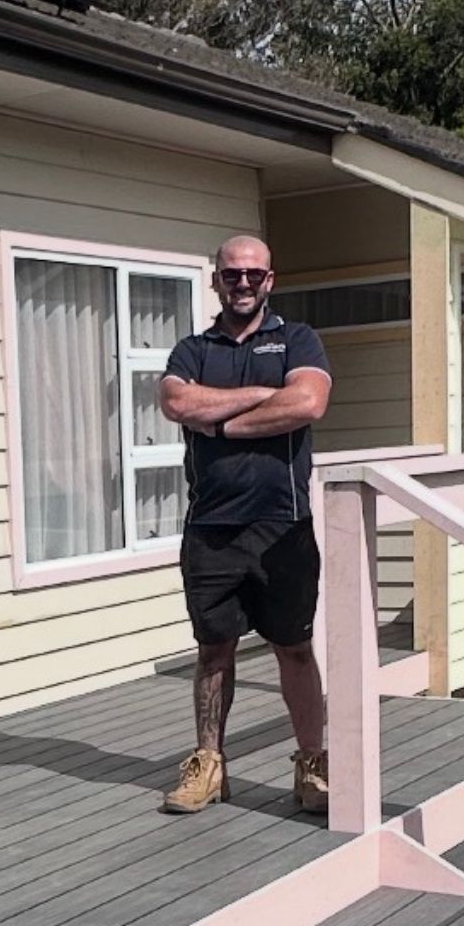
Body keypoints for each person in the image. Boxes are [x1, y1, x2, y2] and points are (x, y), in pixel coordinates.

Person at [156, 234, 332, 816]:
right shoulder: (192, 348)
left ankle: (313, 763)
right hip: (211, 527)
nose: (243, 284)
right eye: (232, 275)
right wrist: (263, 395)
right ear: (216, 281)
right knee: (213, 651)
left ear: (270, 280)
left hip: (283, 526)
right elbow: (179, 405)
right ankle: (209, 763)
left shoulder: (296, 339)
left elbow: (306, 403)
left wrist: (225, 422)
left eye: (254, 275)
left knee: (295, 649)